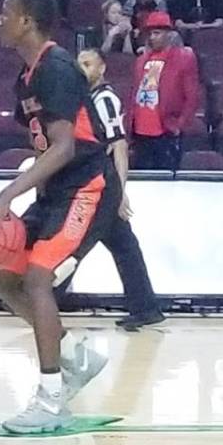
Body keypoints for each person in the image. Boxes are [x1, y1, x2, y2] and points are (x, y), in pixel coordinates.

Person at [0, 0, 120, 434]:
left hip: (88, 188)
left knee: (38, 279)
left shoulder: (56, 67)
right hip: (58, 190)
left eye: (6, 13)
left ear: (27, 22)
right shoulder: (27, 77)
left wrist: (6, 196)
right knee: (2, 276)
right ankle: (74, 352)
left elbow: (62, 148)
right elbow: (45, 149)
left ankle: (51, 399)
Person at [76, 48, 165, 330]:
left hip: (101, 185)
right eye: (79, 64)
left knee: (74, 242)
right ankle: (146, 307)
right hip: (95, 184)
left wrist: (119, 190)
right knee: (123, 246)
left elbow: (119, 146)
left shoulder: (105, 99)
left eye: (88, 64)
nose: (83, 69)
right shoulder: (88, 99)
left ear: (102, 68)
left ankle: (44, 297)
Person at [128, 11, 200, 170]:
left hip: (166, 130)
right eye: (150, 33)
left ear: (168, 34)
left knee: (167, 180)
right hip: (140, 132)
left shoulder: (183, 58)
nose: (152, 37)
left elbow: (192, 96)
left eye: (157, 33)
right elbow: (135, 93)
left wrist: (179, 125)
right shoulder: (141, 60)